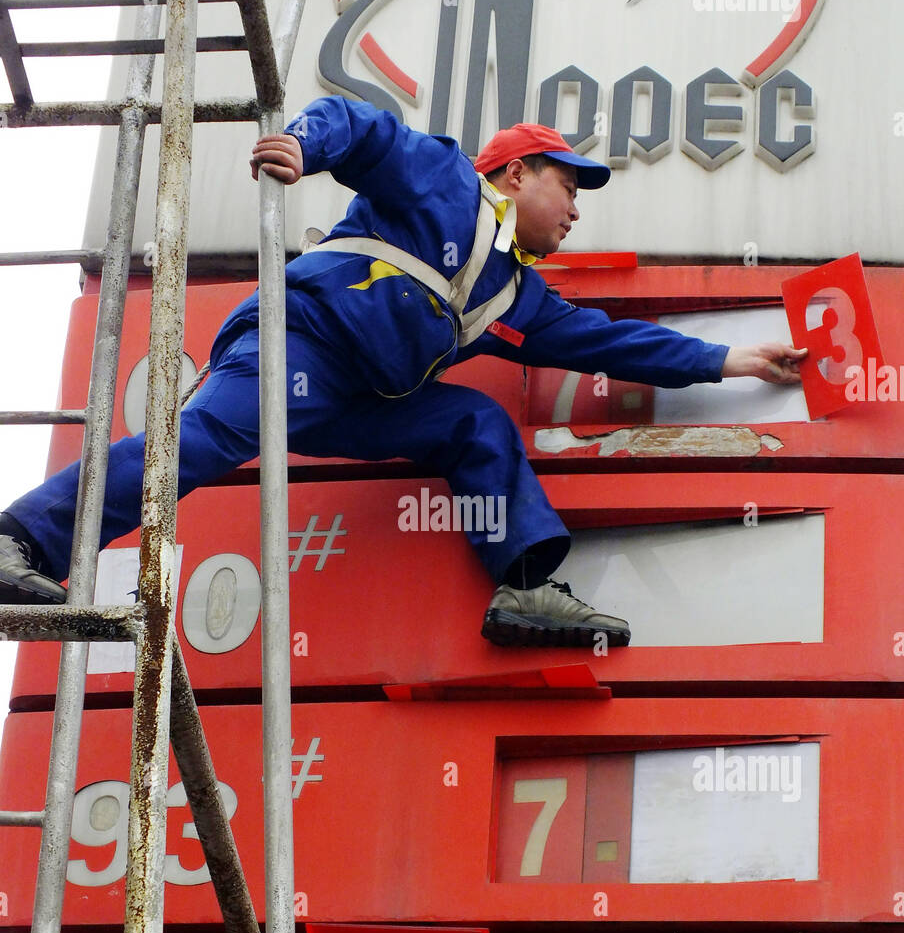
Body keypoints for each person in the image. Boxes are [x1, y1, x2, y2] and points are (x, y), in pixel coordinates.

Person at [0, 97, 806, 646]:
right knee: (206, 439)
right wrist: (306, 146)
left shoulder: (519, 296)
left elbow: (609, 344)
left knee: (475, 423)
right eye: (567, 184)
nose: (576, 207)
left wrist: (732, 358)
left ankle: (522, 589)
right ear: (516, 173)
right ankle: (20, 542)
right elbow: (363, 129)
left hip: (362, 398)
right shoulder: (445, 178)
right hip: (301, 341)